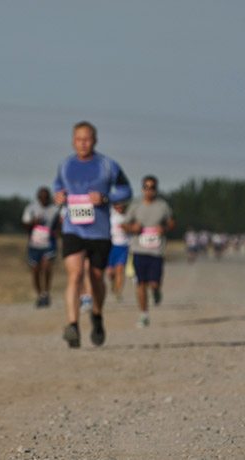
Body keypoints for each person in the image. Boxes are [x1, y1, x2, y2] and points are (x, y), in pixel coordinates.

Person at [54, 121, 132, 348]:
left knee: (96, 278)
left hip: (99, 232)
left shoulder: (108, 165)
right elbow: (57, 187)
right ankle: (73, 325)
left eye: (87, 139)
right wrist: (58, 196)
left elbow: (126, 190)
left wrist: (107, 198)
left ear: (95, 141)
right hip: (73, 229)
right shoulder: (65, 165)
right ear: (73, 141)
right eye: (79, 139)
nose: (83, 143)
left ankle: (97, 316)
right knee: (75, 275)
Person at [123, 175, 174, 327]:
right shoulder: (136, 206)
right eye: (146, 187)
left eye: (152, 187)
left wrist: (164, 228)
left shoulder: (162, 206)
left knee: (153, 283)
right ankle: (144, 314)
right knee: (141, 284)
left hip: (156, 252)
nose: (149, 190)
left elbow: (172, 222)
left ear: (156, 189)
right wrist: (133, 228)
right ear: (142, 188)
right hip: (139, 250)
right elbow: (124, 224)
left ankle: (156, 291)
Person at [21, 187, 61, 307]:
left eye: (46, 197)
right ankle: (39, 295)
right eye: (42, 198)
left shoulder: (55, 209)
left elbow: (61, 223)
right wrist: (34, 222)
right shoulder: (31, 208)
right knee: (36, 271)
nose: (44, 200)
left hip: (49, 244)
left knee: (46, 268)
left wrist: (58, 231)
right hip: (34, 244)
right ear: (38, 198)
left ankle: (46, 293)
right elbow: (24, 224)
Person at [105, 201, 130, 300]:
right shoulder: (110, 216)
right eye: (117, 205)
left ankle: (118, 292)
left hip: (123, 246)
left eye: (121, 205)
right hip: (111, 246)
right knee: (110, 272)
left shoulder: (127, 217)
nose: (120, 207)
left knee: (120, 270)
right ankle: (112, 282)